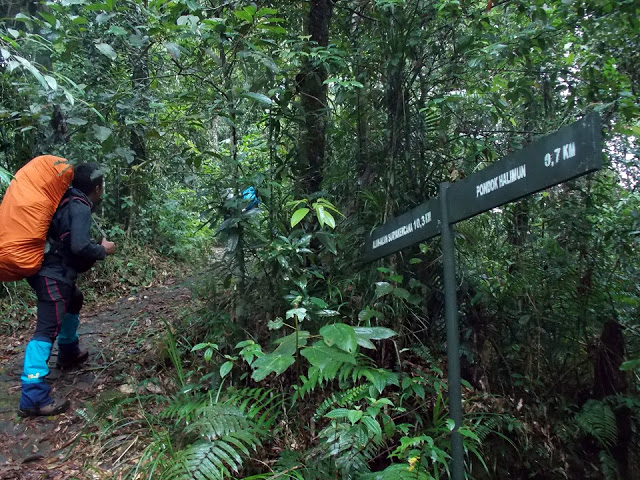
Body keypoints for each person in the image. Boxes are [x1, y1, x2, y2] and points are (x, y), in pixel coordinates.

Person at [18, 163, 116, 417]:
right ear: (98, 187)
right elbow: (80, 246)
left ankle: (69, 352)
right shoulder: (80, 207)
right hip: (53, 274)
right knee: (46, 329)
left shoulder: (66, 200)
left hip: (48, 270)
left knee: (74, 299)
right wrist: (102, 250)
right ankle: (33, 394)